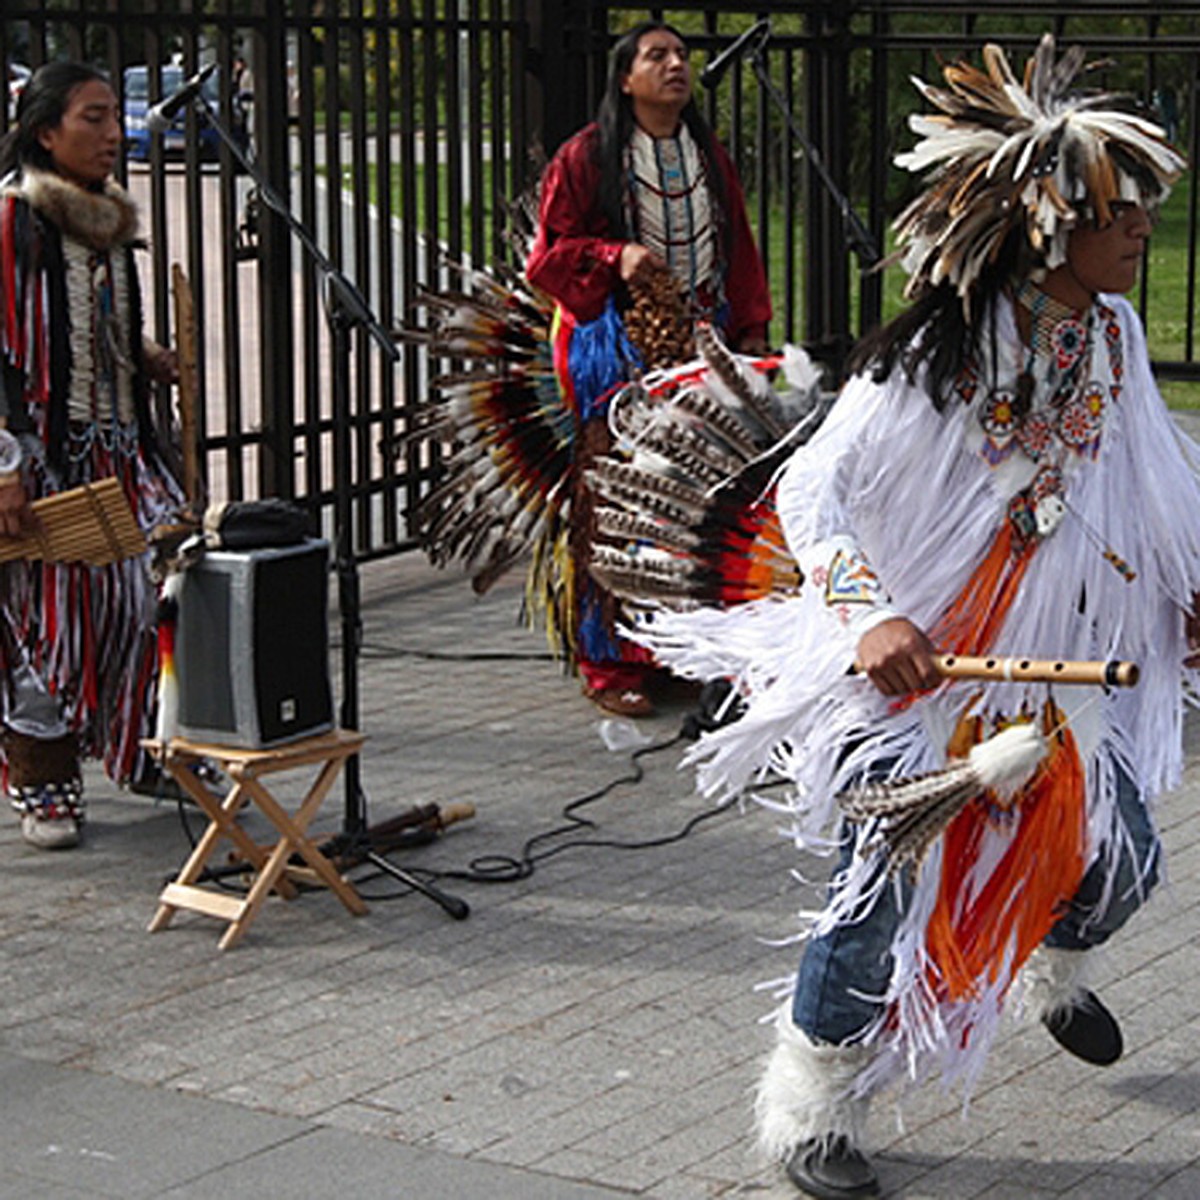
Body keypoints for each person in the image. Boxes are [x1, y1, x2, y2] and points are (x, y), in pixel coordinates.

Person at [634, 36, 1196, 1198]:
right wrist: (866, 616)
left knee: (1122, 861)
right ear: (1049, 227)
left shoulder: (1113, 338)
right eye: (1120, 211)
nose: (1142, 229)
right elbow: (811, 490)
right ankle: (812, 1115)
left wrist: (1189, 592)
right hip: (924, 678)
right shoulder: (936, 358)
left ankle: (1052, 961)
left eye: (1143, 211)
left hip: (1060, 668)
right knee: (882, 892)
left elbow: (1153, 475)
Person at [525, 21, 772, 717]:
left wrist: (749, 331)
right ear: (625, 77)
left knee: (694, 500)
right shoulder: (587, 157)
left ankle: (675, 647)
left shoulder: (707, 155)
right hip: (614, 349)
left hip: (701, 340)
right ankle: (609, 660)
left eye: (682, 55)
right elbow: (548, 258)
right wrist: (615, 258)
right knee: (621, 496)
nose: (675, 65)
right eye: (656, 55)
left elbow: (740, 249)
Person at [0, 62, 184, 849]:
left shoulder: (102, 218)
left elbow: (80, 322)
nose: (115, 133)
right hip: (45, 455)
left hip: (119, 451)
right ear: (47, 132)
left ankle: (142, 746)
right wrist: (5, 462)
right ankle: (40, 770)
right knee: (53, 616)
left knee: (150, 600)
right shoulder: (13, 219)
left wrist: (140, 355)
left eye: (116, 118)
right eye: (93, 118)